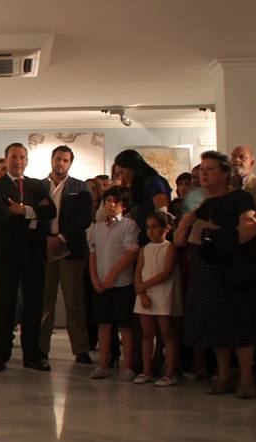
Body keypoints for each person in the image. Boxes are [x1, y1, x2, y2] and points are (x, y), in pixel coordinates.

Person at [176, 151, 256, 399]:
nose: (203, 173)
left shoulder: (240, 197)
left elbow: (249, 229)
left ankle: (246, 378)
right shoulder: (196, 201)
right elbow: (179, 240)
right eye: (202, 169)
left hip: (235, 268)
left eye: (210, 169)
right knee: (215, 325)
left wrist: (214, 237)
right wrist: (187, 222)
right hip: (205, 270)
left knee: (241, 325)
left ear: (225, 174)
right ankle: (223, 376)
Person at [0, 143, 56, 373]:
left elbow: (51, 211)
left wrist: (24, 210)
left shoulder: (37, 185)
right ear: (6, 160)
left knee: (34, 305)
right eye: (13, 157)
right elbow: (2, 217)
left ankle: (32, 355)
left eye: (22, 157)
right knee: (5, 305)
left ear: (27, 161)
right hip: (7, 254)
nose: (18, 161)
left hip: (34, 253)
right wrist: (35, 213)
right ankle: (0, 354)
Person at [40, 146, 93, 364]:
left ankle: (80, 349)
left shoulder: (80, 187)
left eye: (65, 160)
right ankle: (41, 348)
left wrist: (61, 237)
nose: (60, 163)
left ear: (70, 163)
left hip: (70, 249)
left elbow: (85, 218)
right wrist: (45, 239)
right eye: (57, 159)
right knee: (45, 301)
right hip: (44, 249)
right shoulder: (39, 186)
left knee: (73, 301)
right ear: (51, 160)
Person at [88, 186, 139, 381]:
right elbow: (93, 254)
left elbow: (130, 254)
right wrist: (95, 279)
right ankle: (102, 364)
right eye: (108, 201)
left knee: (125, 325)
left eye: (115, 202)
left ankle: (127, 366)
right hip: (101, 284)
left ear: (123, 205)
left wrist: (112, 276)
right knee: (103, 323)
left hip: (122, 284)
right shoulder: (97, 227)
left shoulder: (129, 225)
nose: (111, 205)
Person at [133, 212, 181, 386]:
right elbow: (138, 271)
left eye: (155, 227)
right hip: (144, 295)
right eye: (148, 228)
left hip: (163, 294)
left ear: (166, 228)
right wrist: (141, 293)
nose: (150, 231)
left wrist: (144, 286)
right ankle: (146, 371)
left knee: (167, 333)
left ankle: (169, 373)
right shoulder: (144, 249)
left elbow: (166, 272)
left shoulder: (169, 248)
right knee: (147, 334)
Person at [112, 150, 171, 245]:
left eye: (122, 172)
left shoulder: (154, 182)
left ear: (133, 167)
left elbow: (162, 214)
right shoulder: (136, 186)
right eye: (118, 174)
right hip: (142, 236)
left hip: (155, 238)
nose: (121, 177)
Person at [230, 145, 256, 217]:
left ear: (252, 162)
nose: (237, 160)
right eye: (233, 156)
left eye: (242, 157)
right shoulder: (222, 184)